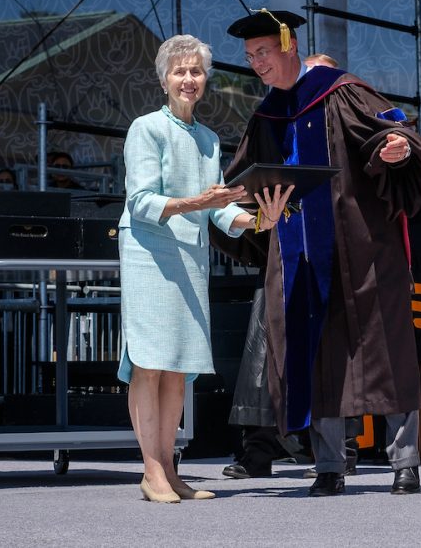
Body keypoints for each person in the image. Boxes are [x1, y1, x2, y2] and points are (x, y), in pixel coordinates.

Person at [222, 9, 421, 496]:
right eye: (249, 56)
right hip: (299, 252)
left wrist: (397, 149)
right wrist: (234, 199)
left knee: (386, 349)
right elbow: (243, 181)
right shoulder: (267, 115)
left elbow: (394, 132)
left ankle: (404, 462)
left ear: (289, 44)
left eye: (263, 51)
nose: (257, 62)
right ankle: (329, 466)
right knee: (313, 353)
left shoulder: (339, 90)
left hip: (362, 245)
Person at [118, 34, 291, 503]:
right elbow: (141, 201)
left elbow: (219, 213)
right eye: (180, 71)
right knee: (150, 362)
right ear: (163, 79)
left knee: (178, 368)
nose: (189, 80)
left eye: (196, 72)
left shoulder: (210, 139)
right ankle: (151, 470)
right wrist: (202, 201)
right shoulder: (145, 128)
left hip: (189, 258)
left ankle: (171, 470)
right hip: (150, 255)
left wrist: (259, 219)